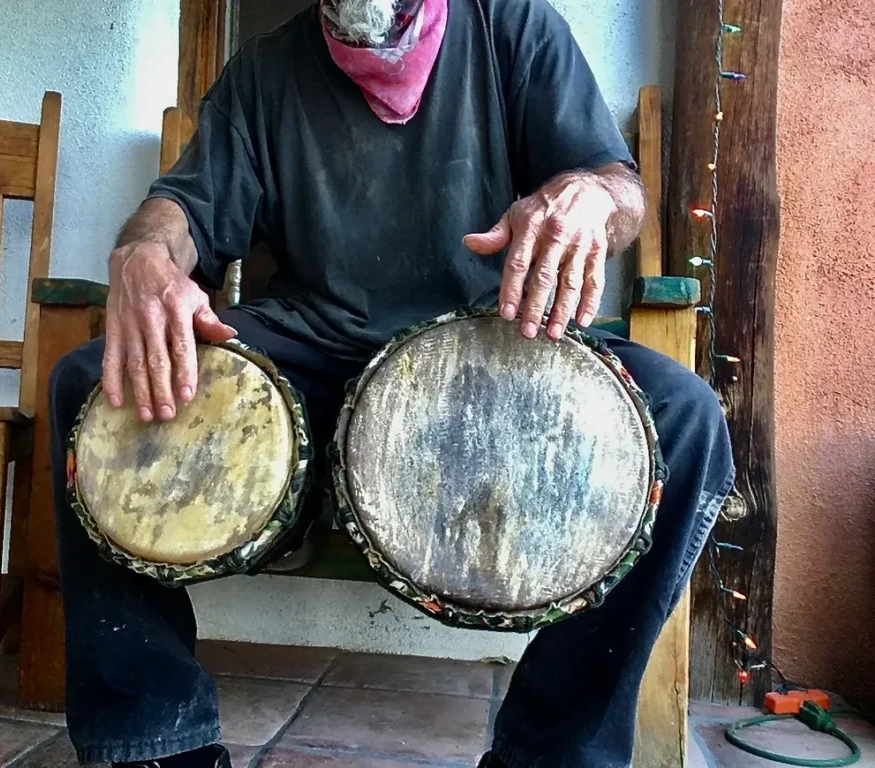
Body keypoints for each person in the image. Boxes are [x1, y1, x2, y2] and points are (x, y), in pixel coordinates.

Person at [49, 0, 735, 765]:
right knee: (91, 382)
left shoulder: (514, 28)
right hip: (317, 347)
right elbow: (182, 211)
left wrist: (595, 197)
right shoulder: (265, 71)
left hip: (491, 345)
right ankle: (154, 739)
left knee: (684, 416)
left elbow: (617, 186)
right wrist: (145, 252)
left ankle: (550, 752)